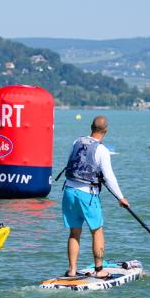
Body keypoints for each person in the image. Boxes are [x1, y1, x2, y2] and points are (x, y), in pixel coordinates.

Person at [61, 116, 129, 279]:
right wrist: (121, 197)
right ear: (105, 131)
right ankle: (99, 270)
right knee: (97, 231)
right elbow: (109, 177)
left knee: (74, 232)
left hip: (69, 191)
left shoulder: (76, 142)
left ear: (91, 127)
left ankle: (71, 270)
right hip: (87, 195)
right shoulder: (102, 150)